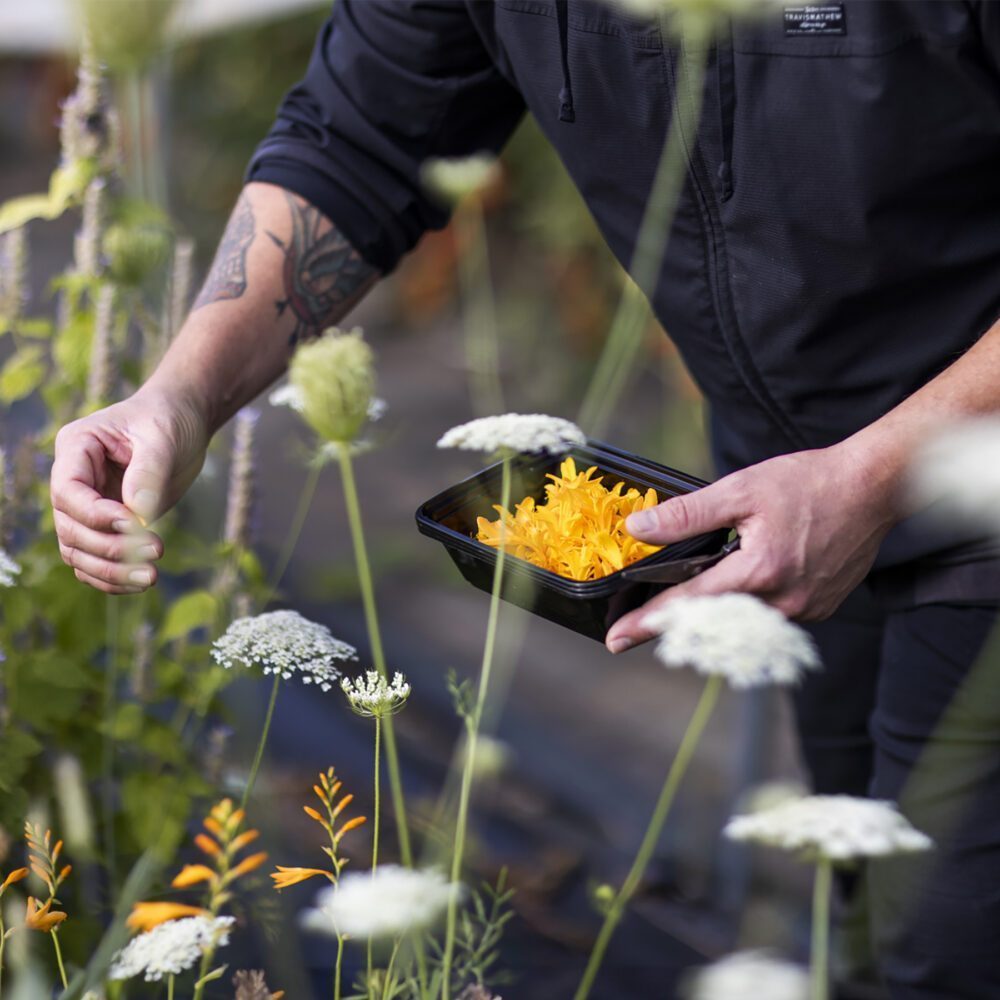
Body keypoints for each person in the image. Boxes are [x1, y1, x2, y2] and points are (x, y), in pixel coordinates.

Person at [49, 2, 1000, 995]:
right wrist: (181, 394)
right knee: (864, 896)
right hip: (787, 495)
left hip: (966, 482)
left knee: (941, 953)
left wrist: (876, 470)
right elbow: (358, 139)